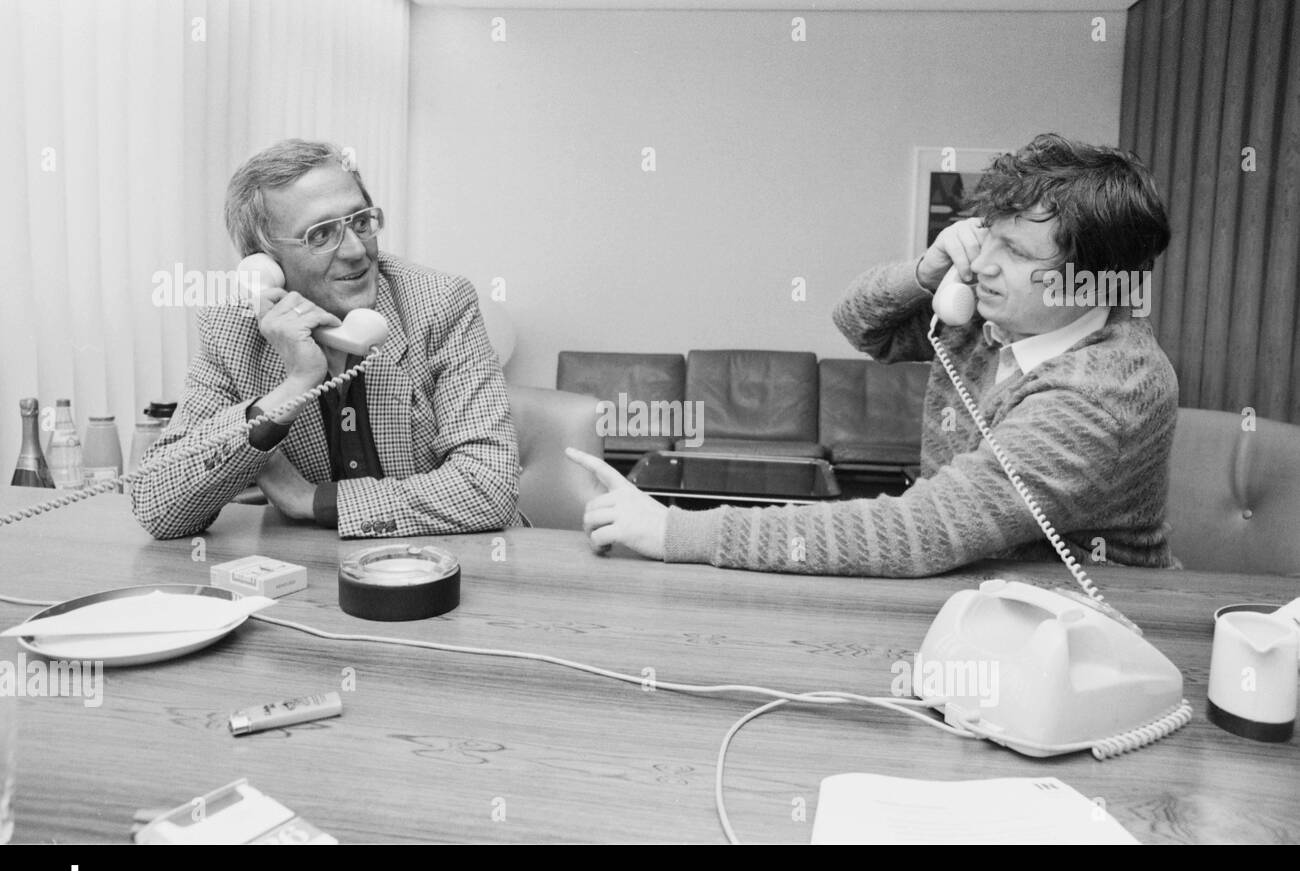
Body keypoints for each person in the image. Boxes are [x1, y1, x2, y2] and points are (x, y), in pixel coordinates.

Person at [568, 133, 1177, 575]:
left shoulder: (1105, 389)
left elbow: (925, 530)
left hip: (1088, 618)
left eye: (1017, 252)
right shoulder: (991, 313)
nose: (985, 262)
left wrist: (677, 529)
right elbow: (863, 327)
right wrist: (929, 268)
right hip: (976, 586)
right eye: (986, 232)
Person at [131, 139, 519, 539]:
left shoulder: (439, 304)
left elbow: (488, 486)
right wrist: (293, 389)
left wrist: (313, 500)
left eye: (361, 222)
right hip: (314, 581)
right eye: (321, 235)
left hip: (448, 570)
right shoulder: (234, 332)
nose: (355, 250)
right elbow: (158, 509)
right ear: (264, 264)